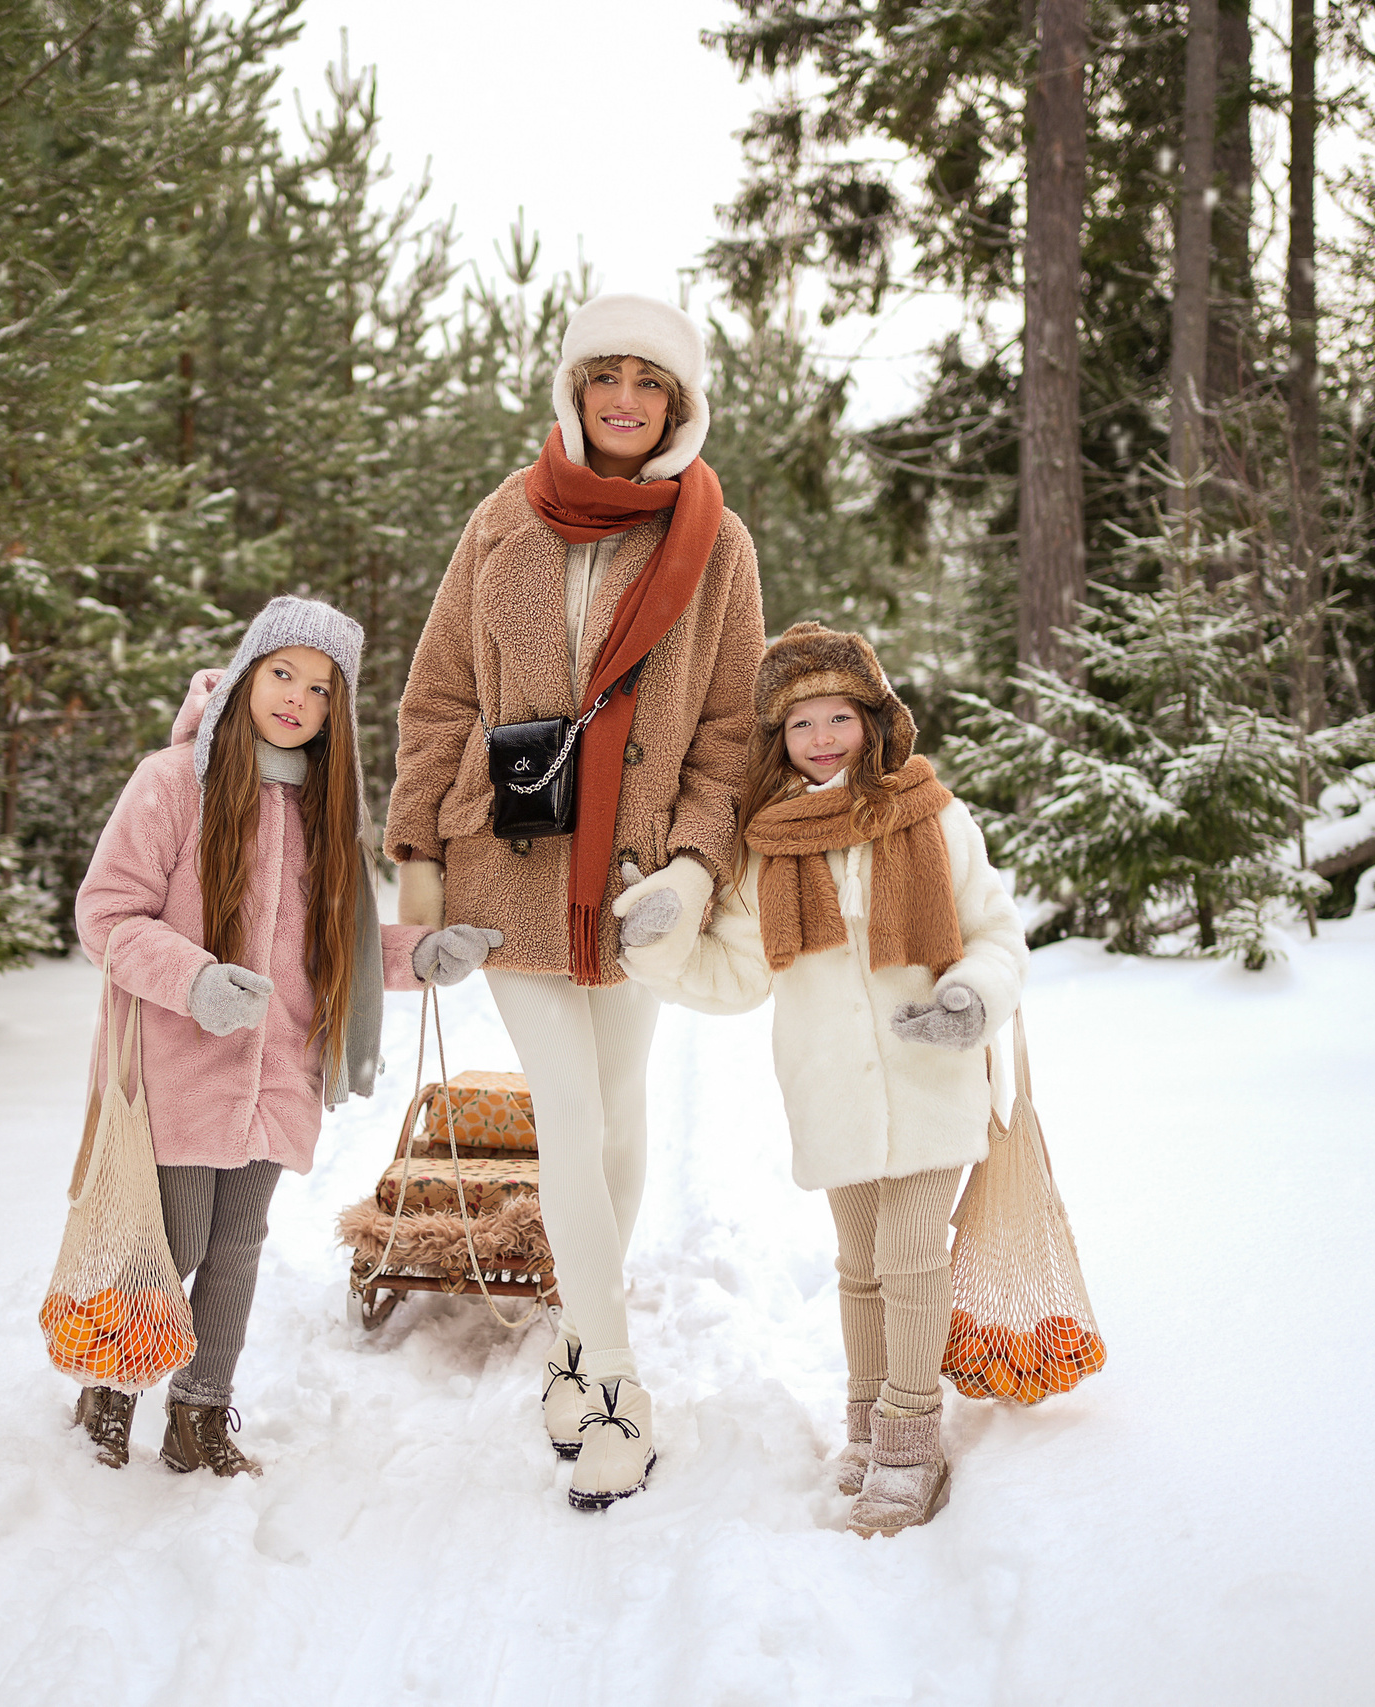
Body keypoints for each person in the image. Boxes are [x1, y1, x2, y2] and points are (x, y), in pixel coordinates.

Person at [385, 293, 765, 1509]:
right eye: (604, 376)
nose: (623, 399)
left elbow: (732, 730)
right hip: (509, 872)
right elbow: (436, 697)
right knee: (569, 1117)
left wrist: (698, 866)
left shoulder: (720, 543)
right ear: (572, 390)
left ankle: (565, 1343)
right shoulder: (501, 522)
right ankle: (612, 1382)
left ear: (678, 405)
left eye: (647, 383)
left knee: (618, 1119)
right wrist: (418, 871)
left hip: (637, 885)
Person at [615, 623, 1028, 1535]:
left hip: (932, 1070)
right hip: (830, 1089)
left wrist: (969, 996)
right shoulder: (767, 848)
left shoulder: (933, 816)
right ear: (778, 739)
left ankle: (913, 1441)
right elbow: (735, 970)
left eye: (840, 714)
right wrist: (655, 947)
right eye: (802, 723)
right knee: (861, 1267)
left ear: (874, 721)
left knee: (914, 1251)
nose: (823, 737)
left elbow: (996, 932)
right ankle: (867, 1419)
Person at [74, 597, 501, 1476]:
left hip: (278, 1070)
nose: (297, 698)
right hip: (179, 1064)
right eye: (283, 673)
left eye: (321, 687)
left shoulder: (324, 811)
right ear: (244, 673)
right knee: (178, 1240)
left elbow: (331, 949)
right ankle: (109, 1384)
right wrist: (193, 979)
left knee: (238, 1244)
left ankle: (200, 1412)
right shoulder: (171, 783)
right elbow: (106, 917)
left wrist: (424, 952)